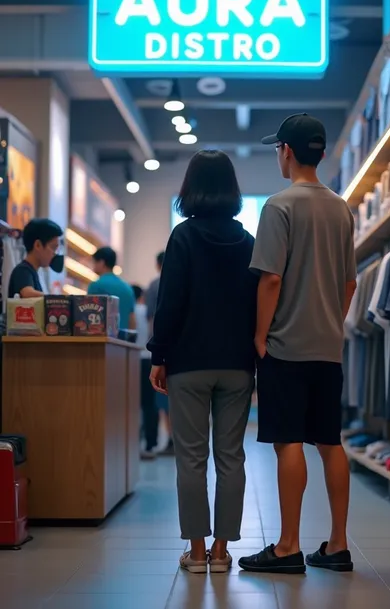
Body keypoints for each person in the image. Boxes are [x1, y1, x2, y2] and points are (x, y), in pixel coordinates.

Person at [239, 114, 357, 575]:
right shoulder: (341, 209)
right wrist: (329, 323)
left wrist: (259, 334)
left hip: (285, 346)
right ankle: (339, 545)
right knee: (330, 442)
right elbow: (348, 284)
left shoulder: (279, 206)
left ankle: (288, 546)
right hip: (328, 347)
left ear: (286, 151)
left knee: (288, 441)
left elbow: (270, 279)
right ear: (321, 153)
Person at [148, 150, 257, 574]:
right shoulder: (247, 240)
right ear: (232, 189)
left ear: (189, 189)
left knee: (190, 458)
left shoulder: (183, 238)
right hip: (236, 364)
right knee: (231, 457)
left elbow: (170, 302)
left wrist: (160, 355)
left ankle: (196, 553)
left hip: (189, 363)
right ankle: (223, 551)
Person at [146, 251, 173, 455]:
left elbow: (152, 319)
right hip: (183, 349)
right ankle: (176, 440)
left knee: (163, 398)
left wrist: (156, 350)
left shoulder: (156, 285)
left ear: (158, 265)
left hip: (163, 350)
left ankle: (171, 440)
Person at [133, 284, 159, 460]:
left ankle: (132, 441)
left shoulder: (132, 310)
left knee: (131, 404)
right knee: (150, 405)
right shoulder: (146, 310)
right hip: (149, 359)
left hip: (132, 359)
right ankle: (151, 443)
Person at [8, 218, 63, 298]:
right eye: (53, 247)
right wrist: (55, 300)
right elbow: (27, 293)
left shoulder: (34, 272)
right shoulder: (23, 270)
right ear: (38, 245)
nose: (54, 253)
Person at [89, 246, 136, 330]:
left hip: (103, 339)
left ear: (102, 262)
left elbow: (89, 315)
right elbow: (132, 319)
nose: (93, 266)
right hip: (122, 339)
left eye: (94, 262)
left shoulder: (96, 286)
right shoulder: (128, 288)